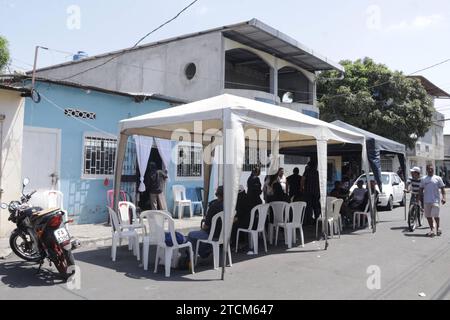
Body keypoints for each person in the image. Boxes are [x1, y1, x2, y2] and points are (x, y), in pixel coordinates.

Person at [188, 186, 224, 258]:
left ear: (217, 194)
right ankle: (206, 250)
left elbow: (206, 226)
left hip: (212, 235)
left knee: (191, 235)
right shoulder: (229, 206)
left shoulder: (213, 206)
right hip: (224, 235)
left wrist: (202, 229)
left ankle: (198, 254)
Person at [420, 165, 446, 237]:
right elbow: (421, 189)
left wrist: (444, 197)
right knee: (428, 216)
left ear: (433, 169)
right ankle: (432, 229)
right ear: (427, 170)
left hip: (435, 200)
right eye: (429, 169)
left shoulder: (438, 178)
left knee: (435, 215)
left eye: (432, 169)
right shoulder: (423, 179)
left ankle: (438, 228)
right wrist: (420, 199)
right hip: (426, 201)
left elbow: (443, 189)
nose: (430, 170)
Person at [302, 160, 321, 224]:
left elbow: (302, 180)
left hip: (308, 191)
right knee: (316, 206)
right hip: (316, 191)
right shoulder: (317, 172)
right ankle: (317, 219)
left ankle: (309, 220)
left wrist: (301, 188)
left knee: (309, 207)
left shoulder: (307, 172)